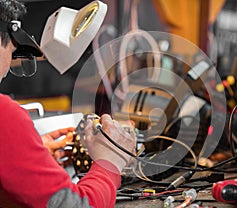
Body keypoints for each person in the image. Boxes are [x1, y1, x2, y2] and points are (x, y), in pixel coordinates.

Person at [0, 0, 136, 207]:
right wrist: (110, 161)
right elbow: (78, 205)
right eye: (12, 51)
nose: (11, 64)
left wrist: (23, 152)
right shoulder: (4, 115)